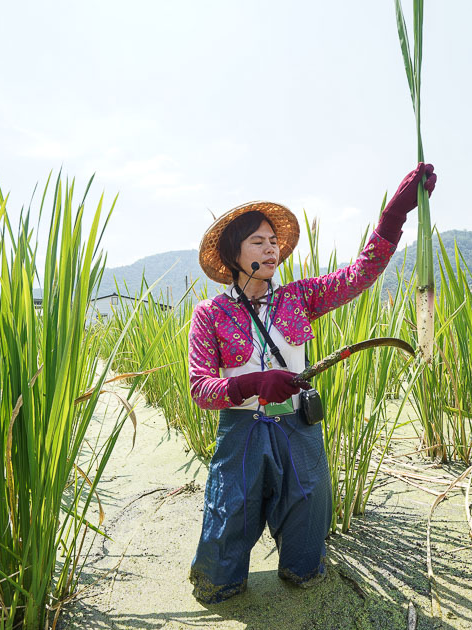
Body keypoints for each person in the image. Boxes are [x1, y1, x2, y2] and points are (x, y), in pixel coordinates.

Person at [187, 163, 437, 604]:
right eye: (258, 242)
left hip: (298, 430)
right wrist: (253, 384)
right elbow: (200, 387)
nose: (271, 248)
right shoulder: (211, 313)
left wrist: (393, 218)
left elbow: (360, 273)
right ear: (233, 254)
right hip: (241, 433)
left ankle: (302, 572)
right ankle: (219, 583)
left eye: (274, 241)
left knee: (308, 509)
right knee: (229, 516)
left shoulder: (299, 297)